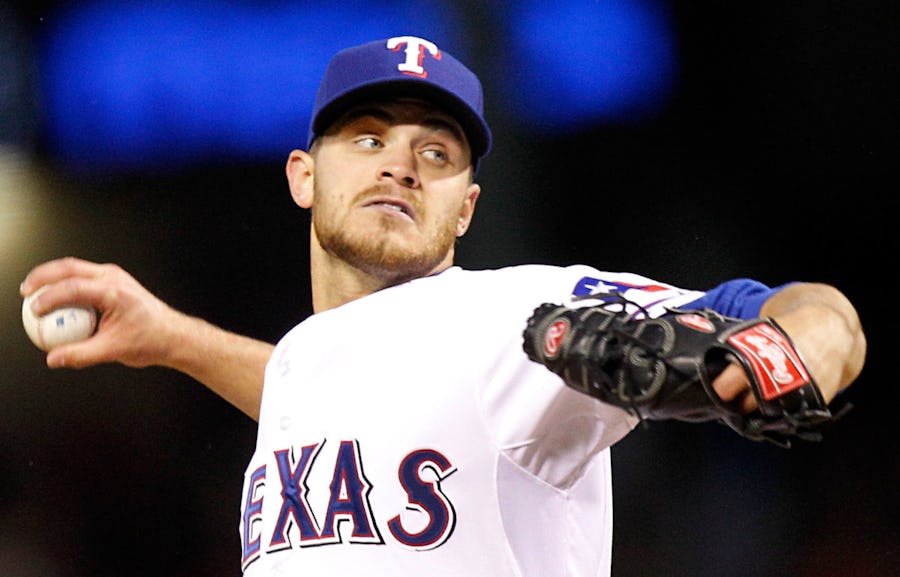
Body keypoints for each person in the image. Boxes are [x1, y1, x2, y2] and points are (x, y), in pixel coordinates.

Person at [21, 35, 866, 577]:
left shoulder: (513, 318)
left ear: (466, 208)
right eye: (368, 138)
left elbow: (819, 315)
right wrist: (172, 337)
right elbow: (316, 392)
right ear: (302, 176)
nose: (400, 164)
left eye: (435, 152)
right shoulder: (312, 359)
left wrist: (784, 352)